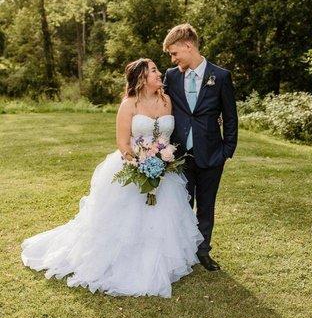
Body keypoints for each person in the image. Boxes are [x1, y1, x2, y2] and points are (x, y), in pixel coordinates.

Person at [21, 58, 204, 298]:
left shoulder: (166, 100)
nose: (160, 74)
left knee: (163, 219)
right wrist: (139, 163)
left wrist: (162, 160)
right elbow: (122, 142)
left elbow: (167, 138)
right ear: (141, 78)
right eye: (154, 71)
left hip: (164, 169)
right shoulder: (128, 104)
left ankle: (161, 262)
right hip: (134, 165)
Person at [163, 24, 238, 271]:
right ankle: (182, 253)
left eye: (175, 53)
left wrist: (226, 151)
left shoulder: (221, 76)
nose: (173, 59)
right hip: (179, 155)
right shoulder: (171, 76)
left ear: (188, 46)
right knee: (182, 205)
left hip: (211, 155)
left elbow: (230, 117)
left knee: (206, 206)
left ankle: (203, 252)